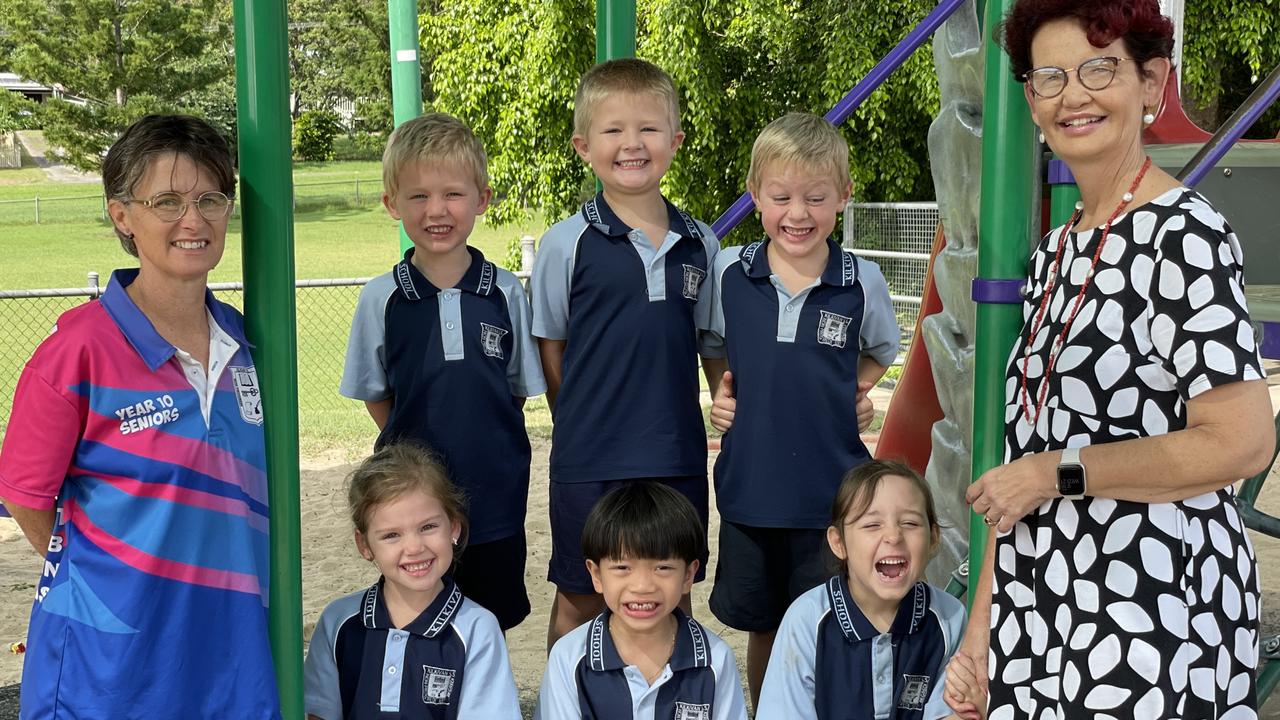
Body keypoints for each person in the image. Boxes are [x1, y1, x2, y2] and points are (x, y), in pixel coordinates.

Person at [945, 1, 1276, 717]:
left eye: (1099, 69)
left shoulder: (1184, 235)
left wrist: (1058, 474)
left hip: (1148, 606)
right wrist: (981, 633)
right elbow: (1022, 464)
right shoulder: (1056, 252)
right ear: (1030, 99)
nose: (1073, 95)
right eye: (1049, 77)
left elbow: (1242, 440)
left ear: (1152, 83)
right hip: (1045, 601)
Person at [0, 114, 280, 717]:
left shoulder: (247, 342)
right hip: (108, 671)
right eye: (167, 201)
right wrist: (112, 571)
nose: (194, 220)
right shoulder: (75, 355)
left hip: (227, 656)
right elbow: (25, 496)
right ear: (122, 215)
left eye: (211, 199)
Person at [704, 112, 900, 705]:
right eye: (781, 196)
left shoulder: (860, 279)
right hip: (751, 489)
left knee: (832, 620)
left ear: (842, 197)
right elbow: (714, 345)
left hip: (829, 496)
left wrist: (853, 390)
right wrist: (722, 394)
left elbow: (883, 349)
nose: (798, 213)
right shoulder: (729, 273)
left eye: (816, 197)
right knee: (766, 627)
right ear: (754, 194)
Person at [530, 58, 725, 649]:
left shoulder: (702, 243)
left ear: (676, 140)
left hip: (675, 453)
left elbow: (712, 344)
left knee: (671, 591)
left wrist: (724, 400)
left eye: (648, 128)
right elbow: (551, 347)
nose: (632, 144)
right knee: (581, 594)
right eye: (613, 131)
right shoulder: (567, 242)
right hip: (591, 458)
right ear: (583, 146)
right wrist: (584, 423)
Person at [340, 112, 545, 631]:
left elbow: (514, 391)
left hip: (494, 494)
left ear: (482, 198)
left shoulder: (505, 291)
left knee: (489, 621)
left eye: (453, 194)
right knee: (418, 616)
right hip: (411, 505)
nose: (437, 211)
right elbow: (378, 397)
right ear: (391, 203)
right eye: (418, 197)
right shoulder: (380, 297)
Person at [303, 443, 520, 719]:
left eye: (428, 527)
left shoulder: (478, 629)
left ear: (454, 527)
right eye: (392, 535)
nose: (415, 547)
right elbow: (317, 712)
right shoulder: (339, 622)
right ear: (365, 545)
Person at [757, 460, 967, 720]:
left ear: (934, 538)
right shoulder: (806, 620)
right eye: (871, 525)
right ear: (838, 542)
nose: (893, 536)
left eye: (910, 523)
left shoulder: (950, 618)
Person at [535, 481, 749, 720]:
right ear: (596, 575)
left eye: (663, 567)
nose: (642, 586)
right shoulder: (570, 657)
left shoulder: (715, 659)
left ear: (688, 575)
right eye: (623, 567)